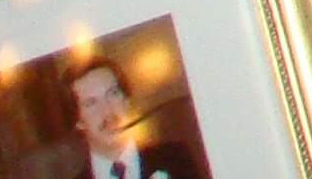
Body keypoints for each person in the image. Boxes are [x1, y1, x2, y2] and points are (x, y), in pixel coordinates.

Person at [26, 59, 203, 179]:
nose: (107, 111)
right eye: (91, 103)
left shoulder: (175, 158)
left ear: (126, 100)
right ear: (78, 121)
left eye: (113, 94)